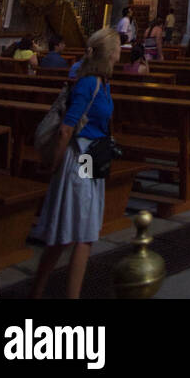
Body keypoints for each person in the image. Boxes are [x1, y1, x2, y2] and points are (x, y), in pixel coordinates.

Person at [31, 26, 120, 300]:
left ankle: (38, 291)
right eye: (117, 49)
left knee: (75, 232)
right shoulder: (89, 83)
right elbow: (66, 129)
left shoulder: (102, 82)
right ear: (108, 54)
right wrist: (54, 164)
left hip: (91, 158)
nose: (120, 54)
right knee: (81, 233)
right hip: (80, 158)